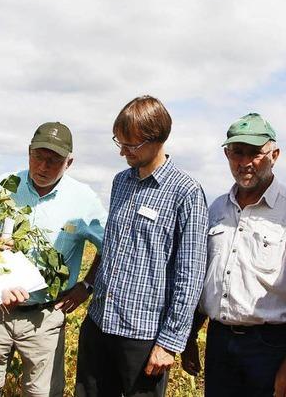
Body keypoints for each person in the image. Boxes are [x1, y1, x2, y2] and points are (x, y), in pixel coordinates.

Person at [180, 113, 286, 397]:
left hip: (271, 347)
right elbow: (206, 279)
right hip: (220, 341)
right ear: (227, 154)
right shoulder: (217, 210)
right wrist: (190, 335)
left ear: (275, 155)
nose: (245, 162)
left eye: (256, 153)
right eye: (237, 152)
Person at [74, 95, 209, 397]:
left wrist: (169, 343)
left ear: (158, 139)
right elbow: (111, 248)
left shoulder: (185, 192)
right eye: (119, 142)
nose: (123, 151)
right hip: (99, 323)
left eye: (131, 145)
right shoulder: (121, 181)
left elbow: (191, 274)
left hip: (143, 337)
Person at [0, 122, 107, 397]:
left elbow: (110, 247)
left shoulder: (84, 199)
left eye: (54, 161)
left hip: (45, 316)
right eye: (38, 157)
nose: (43, 167)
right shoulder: (5, 184)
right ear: (28, 152)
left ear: (70, 162)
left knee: (42, 393)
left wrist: (86, 286)